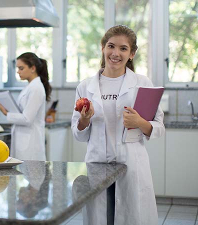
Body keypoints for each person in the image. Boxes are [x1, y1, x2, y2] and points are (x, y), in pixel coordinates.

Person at [71, 25, 165, 225]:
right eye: (111, 46)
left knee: (131, 217)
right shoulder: (85, 86)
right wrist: (84, 120)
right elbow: (78, 134)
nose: (115, 53)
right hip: (97, 165)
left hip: (131, 165)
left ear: (132, 54)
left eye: (123, 49)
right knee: (99, 218)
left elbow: (158, 127)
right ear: (103, 47)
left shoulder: (142, 83)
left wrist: (139, 122)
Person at [0, 52, 52, 161]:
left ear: (33, 68)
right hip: (24, 142)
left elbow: (27, 119)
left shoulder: (36, 88)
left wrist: (7, 113)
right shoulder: (30, 86)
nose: (18, 71)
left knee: (31, 176)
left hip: (31, 145)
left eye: (21, 68)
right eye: (18, 68)